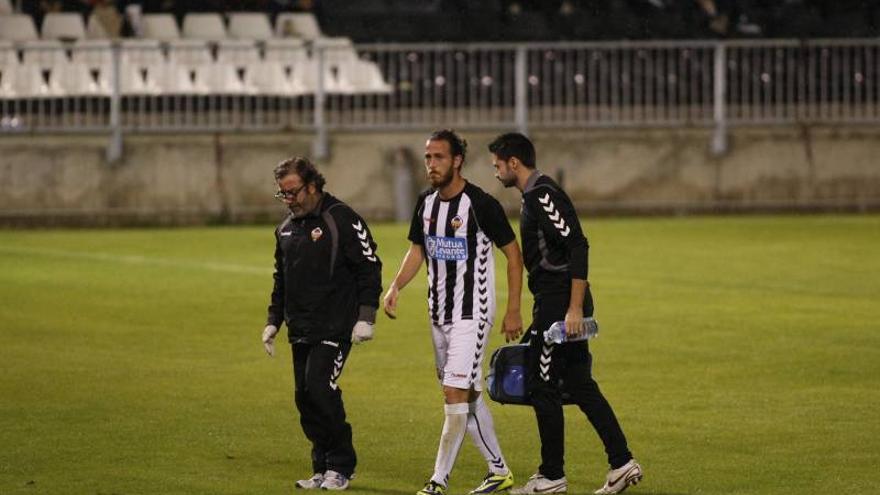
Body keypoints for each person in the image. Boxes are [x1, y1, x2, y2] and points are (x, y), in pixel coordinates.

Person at [488, 133, 643, 495]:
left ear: (513, 163)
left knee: (542, 387)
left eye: (497, 165)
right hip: (556, 301)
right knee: (578, 383)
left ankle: (551, 475)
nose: (495, 172)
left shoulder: (542, 194)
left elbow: (577, 244)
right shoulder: (533, 196)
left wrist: (573, 308)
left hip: (561, 304)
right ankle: (621, 462)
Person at [383, 130, 524, 495]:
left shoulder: (480, 204)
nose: (431, 164)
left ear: (457, 160)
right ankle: (499, 471)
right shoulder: (426, 204)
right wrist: (396, 285)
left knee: (453, 392)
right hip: (439, 314)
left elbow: (513, 254)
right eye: (428, 157)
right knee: (469, 395)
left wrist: (512, 310)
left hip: (472, 314)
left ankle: (437, 481)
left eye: (439, 157)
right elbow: (418, 250)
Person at [261, 156, 382, 491]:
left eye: (293, 192)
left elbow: (369, 266)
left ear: (312, 185)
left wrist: (365, 317)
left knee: (320, 388)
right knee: (304, 397)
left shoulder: (340, 217)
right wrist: (274, 321)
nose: (288, 200)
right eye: (282, 194)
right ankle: (321, 466)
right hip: (301, 328)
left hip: (335, 325)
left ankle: (342, 465)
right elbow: (281, 280)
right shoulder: (285, 229)